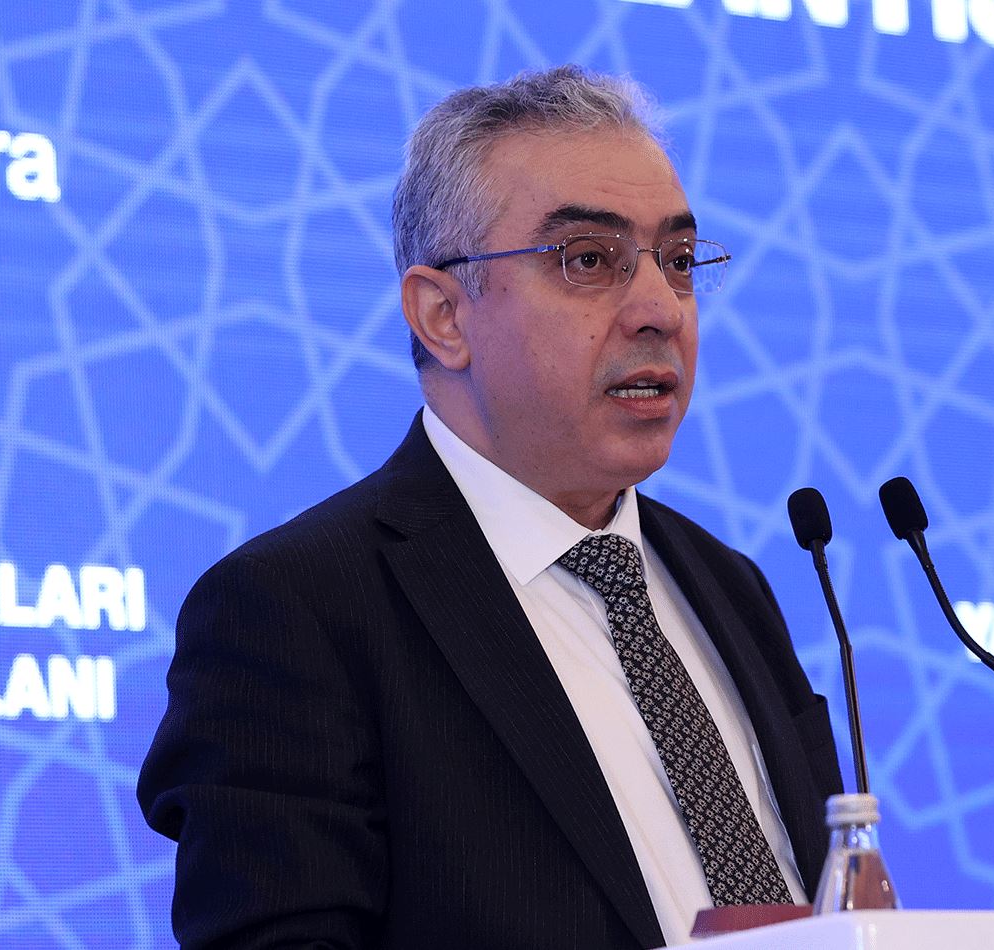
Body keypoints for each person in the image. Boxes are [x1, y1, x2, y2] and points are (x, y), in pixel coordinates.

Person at [137, 66, 842, 949]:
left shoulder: (729, 586)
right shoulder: (295, 612)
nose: (661, 310)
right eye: (589, 260)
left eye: (677, 261)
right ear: (443, 316)